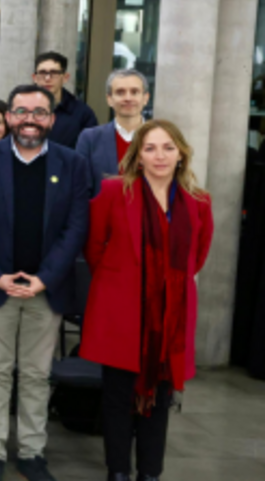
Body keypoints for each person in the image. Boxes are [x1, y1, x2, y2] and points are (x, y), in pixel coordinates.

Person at [0, 85, 91, 481]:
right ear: (9, 117)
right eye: (21, 111)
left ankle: (32, 452)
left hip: (45, 289)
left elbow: (76, 228)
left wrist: (44, 279)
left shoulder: (73, 163)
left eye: (39, 112)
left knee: (36, 374)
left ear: (51, 119)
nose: (29, 119)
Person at [81, 120, 213, 481]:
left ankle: (150, 473)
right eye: (150, 148)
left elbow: (197, 256)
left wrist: (166, 286)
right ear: (137, 156)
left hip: (171, 317)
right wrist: (122, 280)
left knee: (161, 397)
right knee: (118, 398)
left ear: (181, 154)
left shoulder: (199, 202)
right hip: (120, 311)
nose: (160, 156)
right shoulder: (113, 191)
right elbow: (93, 246)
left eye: (168, 148)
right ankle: (118, 471)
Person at [76, 68, 151, 193]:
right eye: (120, 92)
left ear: (145, 98)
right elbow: (80, 189)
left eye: (134, 92)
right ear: (109, 99)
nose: (128, 98)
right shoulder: (90, 138)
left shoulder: (163, 138)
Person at [32, 51, 98, 147]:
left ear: (65, 78)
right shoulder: (21, 108)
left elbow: (91, 149)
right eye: (42, 73)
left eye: (54, 73)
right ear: (34, 78)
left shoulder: (82, 114)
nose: (47, 78)